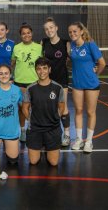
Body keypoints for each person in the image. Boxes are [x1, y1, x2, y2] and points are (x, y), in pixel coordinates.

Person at [68, 22, 106, 153]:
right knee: (78, 110)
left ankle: (89, 141)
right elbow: (70, 61)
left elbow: (102, 63)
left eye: (75, 31)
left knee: (90, 112)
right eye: (70, 32)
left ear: (81, 32)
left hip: (91, 84)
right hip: (77, 83)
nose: (72, 34)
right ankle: (78, 139)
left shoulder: (90, 44)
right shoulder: (71, 46)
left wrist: (95, 74)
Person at [22, 57, 65, 166]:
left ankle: (47, 147)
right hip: (35, 129)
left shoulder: (57, 87)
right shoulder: (30, 88)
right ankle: (40, 145)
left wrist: (55, 119)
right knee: (33, 161)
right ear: (36, 70)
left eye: (45, 68)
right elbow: (25, 108)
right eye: (39, 69)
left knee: (53, 163)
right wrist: (31, 120)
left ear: (49, 69)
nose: (42, 71)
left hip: (53, 128)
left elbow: (61, 107)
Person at [41, 17, 71, 146]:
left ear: (56, 28)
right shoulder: (44, 42)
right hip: (47, 81)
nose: (49, 30)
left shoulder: (66, 43)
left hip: (62, 80)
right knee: (48, 108)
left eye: (51, 28)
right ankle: (48, 133)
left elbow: (74, 58)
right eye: (46, 29)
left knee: (62, 107)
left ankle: (67, 135)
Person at [11, 23, 43, 142]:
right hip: (20, 83)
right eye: (23, 33)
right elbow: (12, 63)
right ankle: (23, 130)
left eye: (28, 33)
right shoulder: (16, 48)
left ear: (32, 33)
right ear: (20, 35)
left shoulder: (39, 47)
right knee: (21, 109)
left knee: (35, 108)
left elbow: (43, 63)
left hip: (35, 82)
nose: (26, 35)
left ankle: (34, 129)